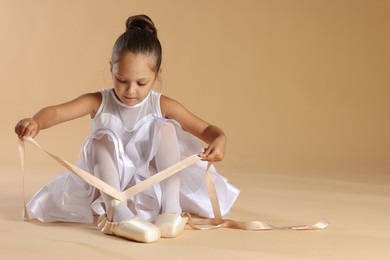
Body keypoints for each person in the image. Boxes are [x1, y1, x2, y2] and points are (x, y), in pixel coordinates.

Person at [14, 14, 239, 243]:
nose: (130, 90)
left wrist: (220, 139)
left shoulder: (159, 104)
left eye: (142, 83)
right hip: (108, 182)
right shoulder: (99, 102)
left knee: (166, 128)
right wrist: (36, 122)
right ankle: (117, 213)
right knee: (101, 138)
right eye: (121, 79)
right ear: (111, 69)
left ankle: (171, 209)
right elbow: (58, 111)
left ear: (157, 75)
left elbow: (205, 129)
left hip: (149, 185)